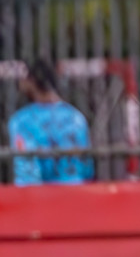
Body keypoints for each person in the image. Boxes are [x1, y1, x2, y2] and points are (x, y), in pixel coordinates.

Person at [8, 59, 93, 187]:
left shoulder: (21, 121)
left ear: (31, 81)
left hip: (40, 198)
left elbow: (27, 172)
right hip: (77, 192)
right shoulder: (77, 117)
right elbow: (87, 168)